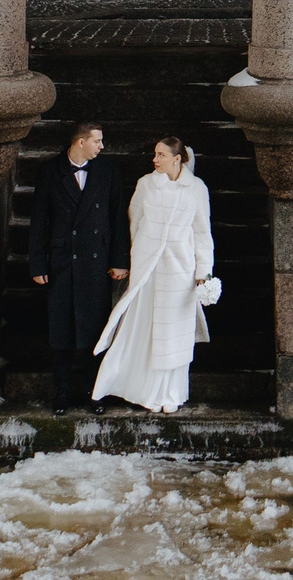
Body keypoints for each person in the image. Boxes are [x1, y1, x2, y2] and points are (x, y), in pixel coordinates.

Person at [90, 134, 214, 413]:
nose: (155, 159)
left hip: (179, 270)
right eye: (155, 154)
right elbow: (134, 223)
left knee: (174, 334)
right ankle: (142, 389)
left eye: (161, 155)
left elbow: (202, 233)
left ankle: (171, 392)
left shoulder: (196, 189)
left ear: (177, 159)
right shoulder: (146, 184)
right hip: (148, 269)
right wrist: (135, 258)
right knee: (142, 327)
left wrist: (203, 273)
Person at [24, 121, 127, 413]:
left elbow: (118, 215)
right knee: (61, 331)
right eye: (97, 141)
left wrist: (120, 260)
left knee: (95, 329)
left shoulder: (107, 170)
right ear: (80, 142)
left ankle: (95, 392)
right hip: (62, 262)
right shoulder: (50, 171)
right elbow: (39, 220)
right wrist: (37, 263)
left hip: (97, 262)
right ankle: (62, 393)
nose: (102, 146)